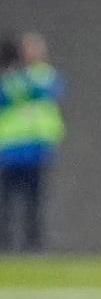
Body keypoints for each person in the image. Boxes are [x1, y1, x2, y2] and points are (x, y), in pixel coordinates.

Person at [0, 32, 65, 253]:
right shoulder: (10, 77)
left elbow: (51, 89)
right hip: (9, 149)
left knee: (33, 202)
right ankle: (5, 244)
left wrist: (18, 82)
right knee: (6, 202)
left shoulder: (43, 75)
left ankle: (33, 246)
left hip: (36, 150)